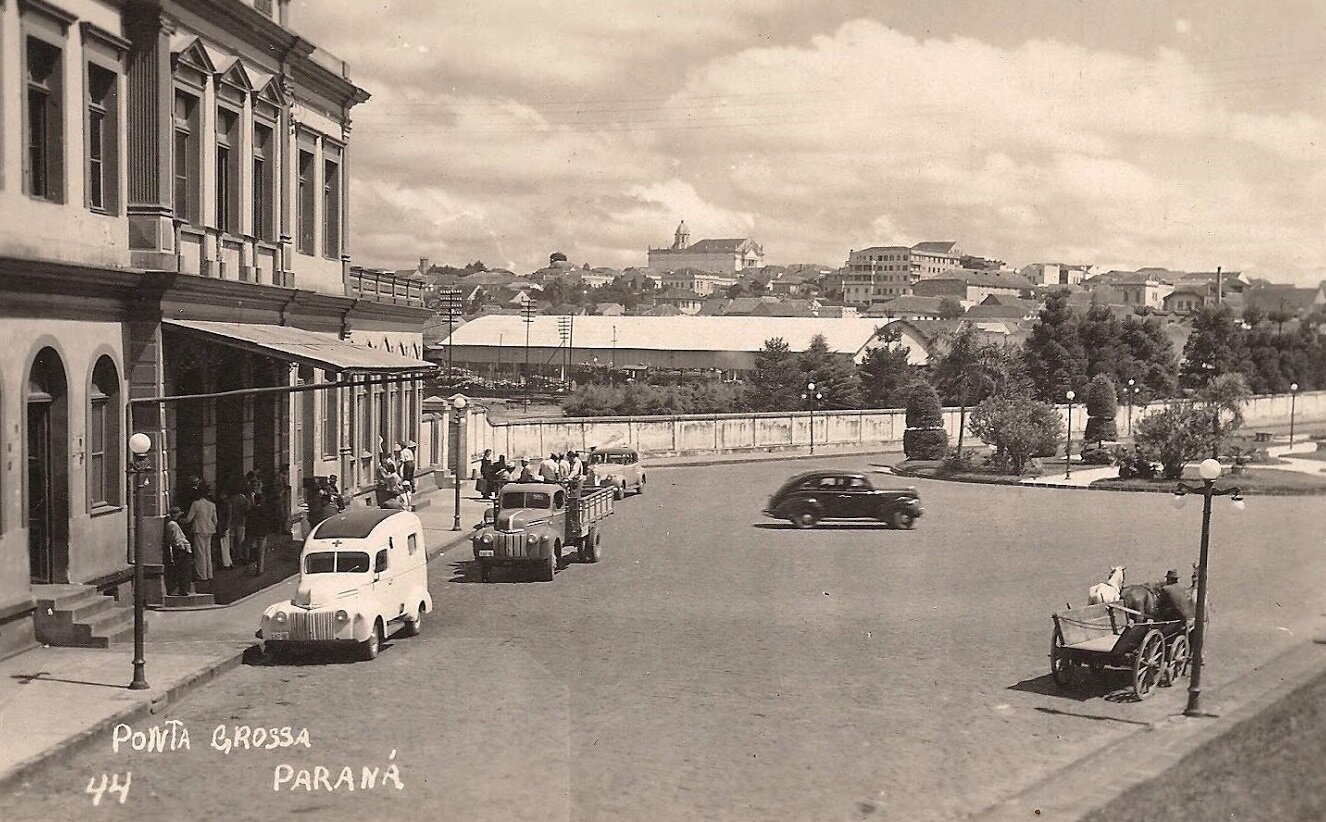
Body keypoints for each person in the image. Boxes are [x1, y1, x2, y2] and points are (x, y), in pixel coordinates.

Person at [183, 484, 218, 587]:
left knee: (200, 553)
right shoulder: (212, 505)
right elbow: (215, 520)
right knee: (208, 552)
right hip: (210, 529)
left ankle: (202, 575)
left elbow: (189, 519)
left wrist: (182, 520)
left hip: (199, 529)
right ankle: (209, 573)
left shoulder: (196, 504)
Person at [164, 507, 194, 596]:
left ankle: (182, 589)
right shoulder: (173, 525)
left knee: (182, 569)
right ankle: (183, 589)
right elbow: (176, 539)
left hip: (180, 548)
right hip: (181, 548)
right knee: (183, 570)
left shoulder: (172, 524)